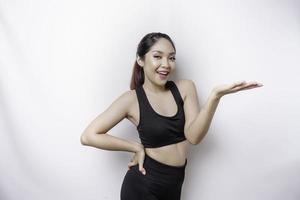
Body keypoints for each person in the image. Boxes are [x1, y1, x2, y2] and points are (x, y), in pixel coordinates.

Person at [80, 32, 263, 200]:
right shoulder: (131, 100)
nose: (166, 64)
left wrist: (215, 96)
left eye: (171, 58)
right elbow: (88, 136)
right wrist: (135, 147)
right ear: (140, 60)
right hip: (142, 186)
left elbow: (194, 136)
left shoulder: (185, 88)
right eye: (157, 56)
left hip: (174, 186)